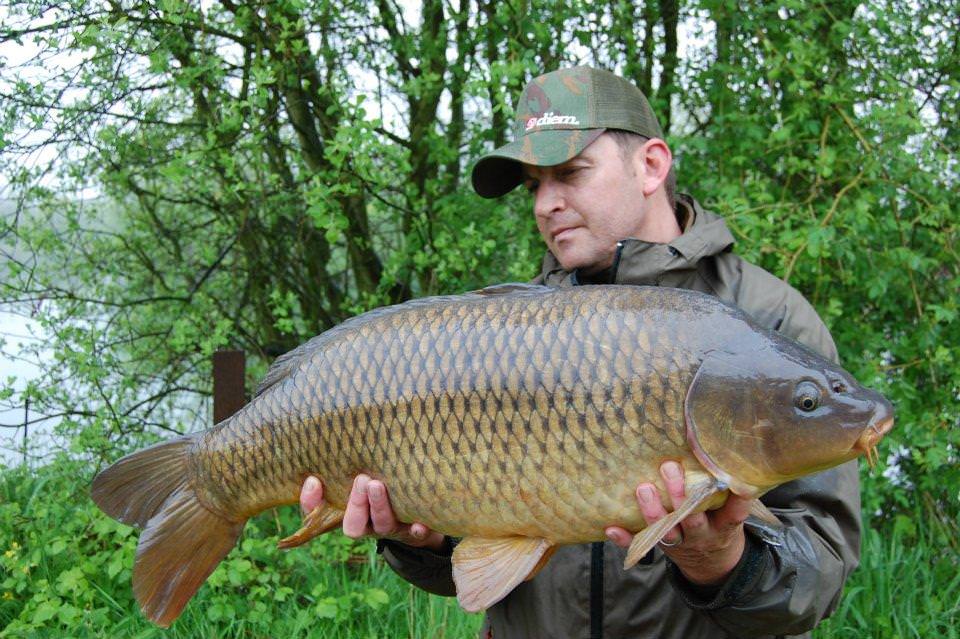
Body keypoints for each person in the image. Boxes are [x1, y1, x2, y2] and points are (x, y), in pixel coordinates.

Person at [299, 66, 860, 638]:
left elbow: (821, 572)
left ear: (651, 165)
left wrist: (721, 563)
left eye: (570, 173)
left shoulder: (766, 320)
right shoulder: (505, 335)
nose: (546, 204)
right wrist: (423, 540)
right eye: (534, 185)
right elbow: (470, 567)